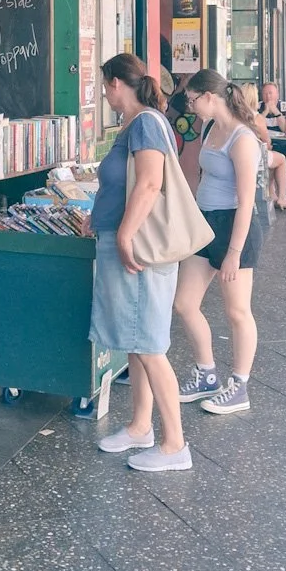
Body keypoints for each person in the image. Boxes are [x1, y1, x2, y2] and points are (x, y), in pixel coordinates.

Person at [90, 53, 193, 472]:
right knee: (137, 342)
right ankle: (140, 426)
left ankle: (174, 444)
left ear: (116, 83)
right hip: (130, 245)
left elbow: (150, 182)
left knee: (149, 346)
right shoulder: (139, 123)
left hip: (138, 249)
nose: (104, 94)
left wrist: (125, 234)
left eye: (105, 86)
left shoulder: (145, 123)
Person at [175, 70, 263, 414]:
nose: (191, 107)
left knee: (237, 311)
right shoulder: (209, 127)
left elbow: (246, 201)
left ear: (209, 97)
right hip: (205, 222)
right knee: (184, 303)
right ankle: (206, 373)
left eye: (192, 100)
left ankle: (239, 385)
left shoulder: (243, 139)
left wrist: (234, 253)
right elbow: (200, 175)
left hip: (233, 227)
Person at [241, 82, 286, 213]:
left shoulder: (237, 114)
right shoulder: (256, 116)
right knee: (280, 159)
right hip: (253, 155)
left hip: (241, 153)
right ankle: (282, 197)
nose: (267, 96)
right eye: (263, 93)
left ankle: (274, 192)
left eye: (270, 93)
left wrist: (275, 112)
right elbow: (266, 142)